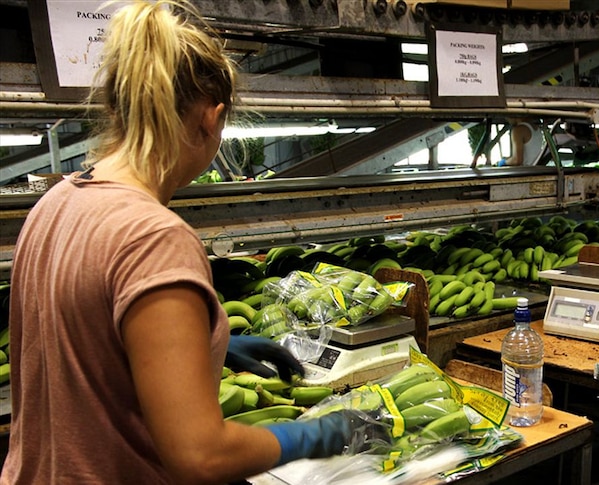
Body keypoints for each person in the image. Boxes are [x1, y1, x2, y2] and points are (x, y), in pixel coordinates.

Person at [0, 2, 375, 484]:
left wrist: (204, 345)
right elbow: (200, 456)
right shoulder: (154, 237)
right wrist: (315, 435)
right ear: (209, 118)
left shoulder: (55, 205)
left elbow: (84, 351)